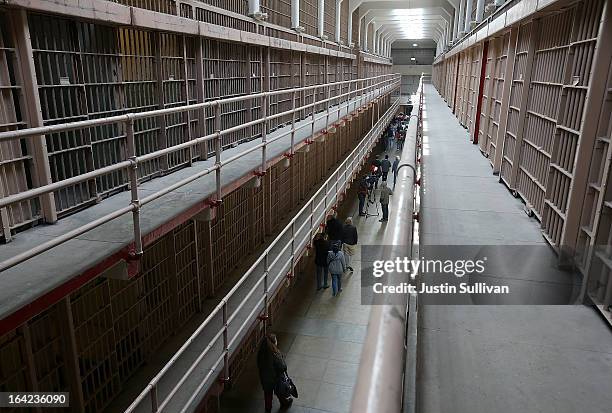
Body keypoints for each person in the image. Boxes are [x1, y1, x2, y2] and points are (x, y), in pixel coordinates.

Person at [257, 334, 293, 412]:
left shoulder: (261, 354)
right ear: (273, 342)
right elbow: (282, 366)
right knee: (280, 391)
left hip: (265, 379)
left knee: (268, 395)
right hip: (276, 378)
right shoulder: (274, 353)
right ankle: (284, 402)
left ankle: (268, 409)